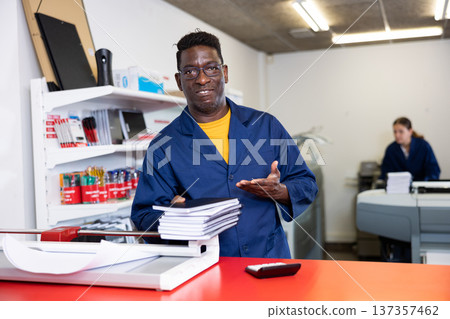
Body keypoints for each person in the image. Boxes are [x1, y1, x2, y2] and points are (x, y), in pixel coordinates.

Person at [131, 30, 318, 258]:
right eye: (190, 71)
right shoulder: (164, 145)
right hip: (205, 269)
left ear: (225, 73)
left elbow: (306, 182)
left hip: (268, 260)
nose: (202, 79)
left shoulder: (266, 126)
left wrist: (281, 191)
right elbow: (143, 215)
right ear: (180, 81)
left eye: (211, 68)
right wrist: (176, 216)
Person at [380, 117, 440, 181]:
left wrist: (425, 183)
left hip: (421, 186)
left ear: (410, 131)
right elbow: (385, 173)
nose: (397, 135)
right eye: (395, 132)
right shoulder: (391, 149)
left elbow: (433, 170)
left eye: (401, 131)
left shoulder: (423, 146)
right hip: (398, 188)